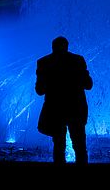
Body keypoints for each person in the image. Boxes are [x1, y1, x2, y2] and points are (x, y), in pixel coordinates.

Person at [35, 36, 93, 164]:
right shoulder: (78, 60)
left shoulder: (44, 62)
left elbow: (39, 91)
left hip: (55, 109)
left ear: (52, 47)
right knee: (80, 146)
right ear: (67, 46)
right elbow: (88, 85)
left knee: (59, 145)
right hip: (76, 108)